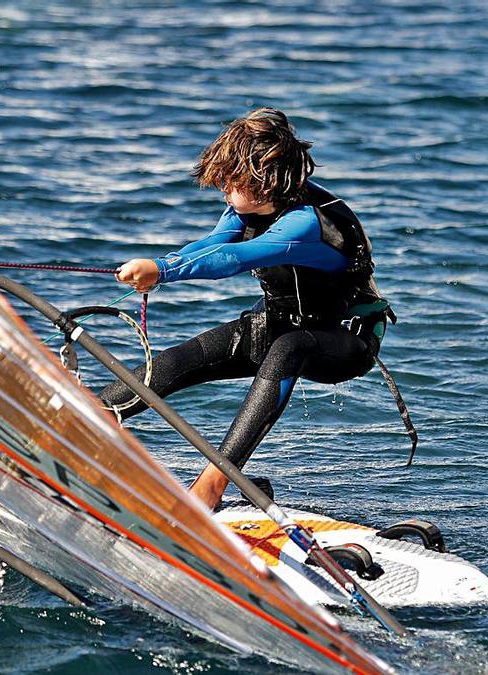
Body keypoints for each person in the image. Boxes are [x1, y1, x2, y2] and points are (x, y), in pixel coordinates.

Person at [102, 108, 394, 510]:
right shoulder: (244, 208)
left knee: (291, 347)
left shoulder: (306, 223)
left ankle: (211, 487)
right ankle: (78, 423)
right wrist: (159, 264)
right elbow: (213, 245)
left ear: (265, 178)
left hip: (343, 341)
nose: (221, 186)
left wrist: (164, 272)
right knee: (179, 359)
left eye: (230, 179)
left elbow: (235, 259)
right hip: (277, 323)